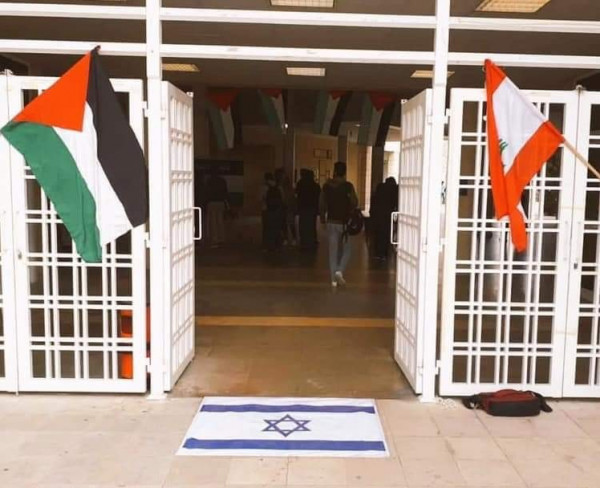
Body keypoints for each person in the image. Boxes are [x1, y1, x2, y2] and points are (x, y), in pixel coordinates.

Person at [319, 161, 358, 287]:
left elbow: (322, 204)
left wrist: (322, 219)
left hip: (331, 221)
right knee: (347, 249)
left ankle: (333, 280)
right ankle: (339, 270)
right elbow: (354, 202)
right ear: (345, 172)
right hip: (344, 223)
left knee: (333, 251)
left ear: (334, 171)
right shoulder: (348, 186)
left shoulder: (326, 186)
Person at [371, 177, 398, 259]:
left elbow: (374, 199)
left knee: (379, 234)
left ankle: (378, 253)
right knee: (386, 234)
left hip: (377, 214)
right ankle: (384, 253)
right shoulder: (394, 189)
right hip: (388, 214)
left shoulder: (380, 187)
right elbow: (396, 202)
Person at [296, 169, 321, 252]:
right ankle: (312, 241)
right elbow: (318, 197)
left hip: (303, 207)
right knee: (312, 225)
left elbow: (297, 195)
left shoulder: (300, 184)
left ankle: (304, 242)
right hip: (312, 207)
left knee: (303, 224)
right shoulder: (315, 186)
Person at [206, 166, 229, 248]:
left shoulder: (209, 181)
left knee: (213, 222)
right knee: (220, 221)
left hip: (212, 202)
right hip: (220, 202)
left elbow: (207, 192)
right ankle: (221, 238)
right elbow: (225, 192)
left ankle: (215, 240)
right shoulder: (222, 181)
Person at [261, 172, 284, 252]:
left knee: (267, 228)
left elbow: (260, 198)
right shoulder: (279, 187)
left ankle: (267, 246)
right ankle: (278, 245)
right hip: (277, 210)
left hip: (266, 209)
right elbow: (283, 198)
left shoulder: (264, 187)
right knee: (277, 227)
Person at [275, 168, 297, 246]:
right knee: (284, 223)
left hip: (288, 207)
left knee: (290, 223)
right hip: (283, 207)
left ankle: (292, 238)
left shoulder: (286, 186)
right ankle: (286, 238)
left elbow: (290, 197)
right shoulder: (279, 186)